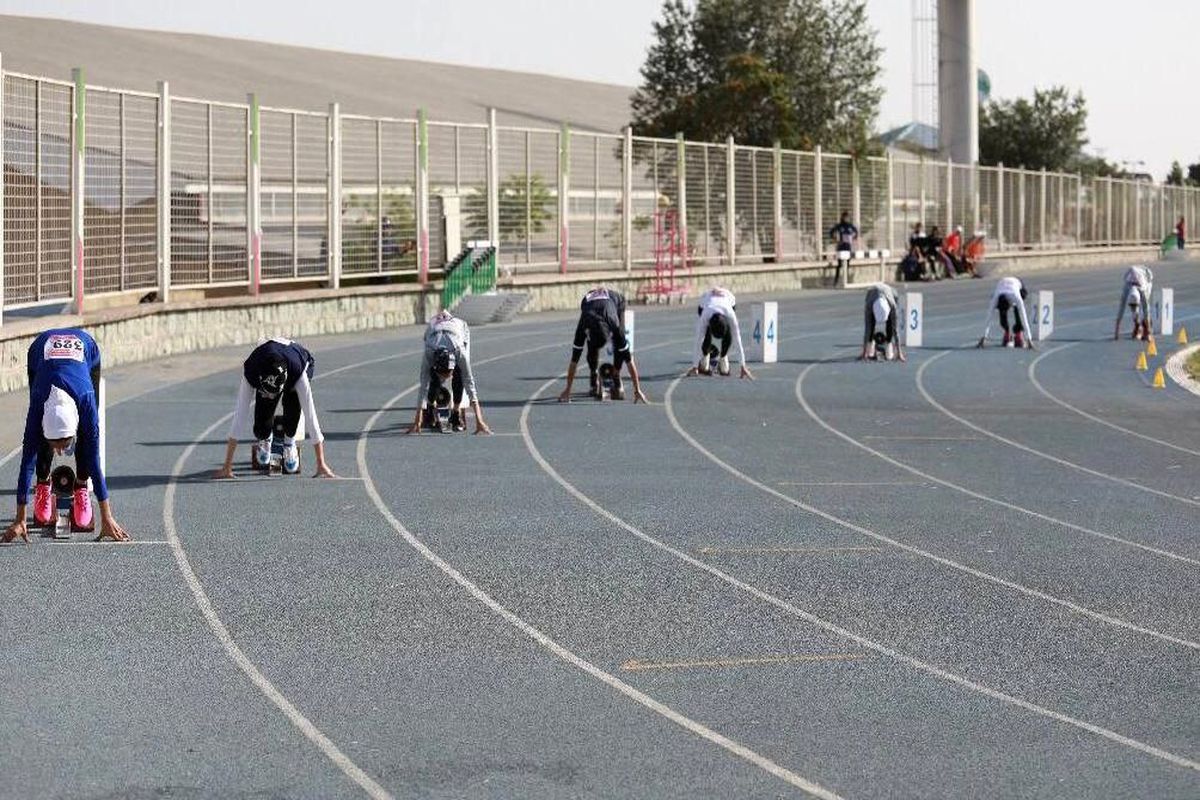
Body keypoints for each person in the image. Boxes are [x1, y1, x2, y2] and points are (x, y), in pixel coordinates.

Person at [3, 328, 129, 543]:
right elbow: (27, 461)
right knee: (35, 442)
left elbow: (94, 458)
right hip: (41, 349)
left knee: (89, 438)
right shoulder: (38, 402)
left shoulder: (86, 399)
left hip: (86, 351)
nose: (61, 451)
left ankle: (81, 487)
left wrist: (106, 517)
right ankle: (43, 484)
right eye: (56, 444)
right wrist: (20, 518)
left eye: (63, 444)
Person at [215, 338, 335, 479]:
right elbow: (239, 416)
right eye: (268, 392)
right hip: (269, 362)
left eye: (274, 393)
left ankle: (289, 442)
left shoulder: (298, 371)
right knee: (262, 423)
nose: (272, 397)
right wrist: (227, 466)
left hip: (296, 364)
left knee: (293, 404)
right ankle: (265, 439)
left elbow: (311, 415)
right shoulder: (251, 371)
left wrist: (321, 463)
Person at [406, 309, 492, 435]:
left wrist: (480, 420)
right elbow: (423, 385)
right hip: (433, 330)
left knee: (460, 374)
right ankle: (430, 407)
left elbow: (469, 382)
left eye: (448, 374)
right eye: (444, 375)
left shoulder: (459, 351)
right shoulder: (429, 352)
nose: (446, 379)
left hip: (459, 332)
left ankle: (456, 412)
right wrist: (417, 420)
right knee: (432, 379)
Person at [557, 286, 648, 403]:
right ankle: (593, 373)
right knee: (591, 348)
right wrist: (567, 389)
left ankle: (616, 373)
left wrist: (637, 389)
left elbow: (629, 359)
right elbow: (574, 360)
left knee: (619, 345)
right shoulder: (583, 326)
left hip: (615, 301)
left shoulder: (614, 324)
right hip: (589, 302)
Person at [686, 286, 754, 379]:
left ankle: (723, 357)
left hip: (729, 301)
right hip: (704, 303)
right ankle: (705, 357)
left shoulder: (731, 315)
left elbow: (737, 339)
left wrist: (743, 366)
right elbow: (699, 340)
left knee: (731, 330)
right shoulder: (705, 314)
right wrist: (695, 366)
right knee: (704, 331)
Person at [977, 276, 1034, 349]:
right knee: (1002, 313)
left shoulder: (1016, 297)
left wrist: (1029, 339)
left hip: (1017, 283)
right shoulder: (995, 298)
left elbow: (1024, 317)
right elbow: (989, 317)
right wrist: (983, 337)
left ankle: (1018, 332)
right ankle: (1007, 331)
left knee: (1018, 309)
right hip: (1003, 285)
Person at [860, 283, 907, 362]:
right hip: (873, 294)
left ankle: (889, 343)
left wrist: (900, 353)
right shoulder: (869, 304)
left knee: (891, 324)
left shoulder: (893, 305)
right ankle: (870, 345)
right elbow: (867, 329)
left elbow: (895, 329)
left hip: (890, 293)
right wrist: (864, 352)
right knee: (870, 325)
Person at [1115, 264, 1154, 341]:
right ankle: (1137, 325)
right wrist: (1117, 330)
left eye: (1134, 305)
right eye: (1132, 306)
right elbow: (1121, 308)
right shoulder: (1126, 287)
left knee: (1145, 306)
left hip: (1147, 278)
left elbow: (1146, 309)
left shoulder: (1143, 288)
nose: (1132, 307)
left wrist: (1149, 333)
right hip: (1133, 278)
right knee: (1134, 310)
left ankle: (1146, 326)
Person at [829, 211, 859, 284]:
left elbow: (856, 233)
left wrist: (853, 238)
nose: (847, 219)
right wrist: (836, 239)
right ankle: (836, 281)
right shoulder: (839, 226)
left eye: (848, 217)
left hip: (848, 247)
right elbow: (831, 232)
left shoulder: (850, 226)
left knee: (847, 264)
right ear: (842, 217)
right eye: (845, 217)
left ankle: (845, 281)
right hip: (841, 247)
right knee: (839, 264)